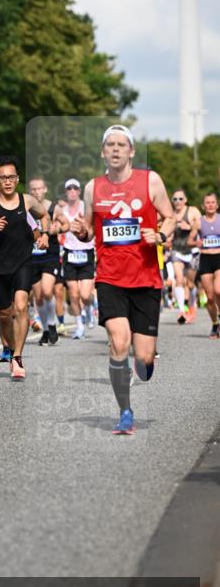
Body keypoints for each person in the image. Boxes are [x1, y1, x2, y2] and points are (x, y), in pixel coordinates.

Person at [69, 125, 175, 435]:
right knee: (118, 340)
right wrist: (81, 232)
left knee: (143, 357)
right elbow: (89, 230)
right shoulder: (93, 187)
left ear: (131, 151)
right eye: (110, 145)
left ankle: (145, 360)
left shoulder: (150, 181)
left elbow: (170, 216)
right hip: (110, 277)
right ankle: (125, 411)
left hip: (145, 278)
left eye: (121, 144)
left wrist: (161, 235)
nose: (116, 149)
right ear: (103, 152)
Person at [0, 156, 51, 380]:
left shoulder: (27, 201)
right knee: (5, 313)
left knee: (21, 306)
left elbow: (45, 215)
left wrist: (45, 235)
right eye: (3, 178)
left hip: (23, 262)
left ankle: (17, 357)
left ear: (17, 179)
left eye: (11, 177)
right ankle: (9, 346)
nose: (7, 181)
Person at [27, 177, 70, 347]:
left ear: (45, 189)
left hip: (50, 256)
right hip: (32, 257)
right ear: (30, 191)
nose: (37, 192)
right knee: (38, 297)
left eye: (39, 188)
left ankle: (52, 323)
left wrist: (57, 229)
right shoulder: (26, 209)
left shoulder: (53, 208)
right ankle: (46, 330)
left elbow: (67, 225)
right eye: (33, 189)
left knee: (47, 291)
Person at [61, 178, 96, 339]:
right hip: (69, 253)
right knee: (74, 295)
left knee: (85, 295)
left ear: (80, 191)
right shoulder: (62, 211)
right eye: (69, 188)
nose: (72, 191)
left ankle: (89, 309)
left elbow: (93, 227)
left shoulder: (86, 208)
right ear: (66, 192)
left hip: (86, 252)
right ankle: (79, 326)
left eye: (75, 188)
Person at [188, 192, 220, 338]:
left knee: (218, 290)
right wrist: (196, 243)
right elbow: (189, 241)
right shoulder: (199, 222)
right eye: (207, 202)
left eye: (213, 202)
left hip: (219, 257)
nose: (210, 205)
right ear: (203, 206)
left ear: (217, 205)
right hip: (205, 259)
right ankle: (215, 324)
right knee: (210, 297)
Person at [169, 189, 201, 324]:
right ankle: (182, 311)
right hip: (177, 250)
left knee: (190, 283)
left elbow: (201, 225)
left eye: (180, 199)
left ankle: (192, 305)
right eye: (175, 199)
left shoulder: (192, 211)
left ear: (185, 200)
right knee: (179, 278)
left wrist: (189, 226)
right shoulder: (170, 214)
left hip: (192, 251)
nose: (178, 201)